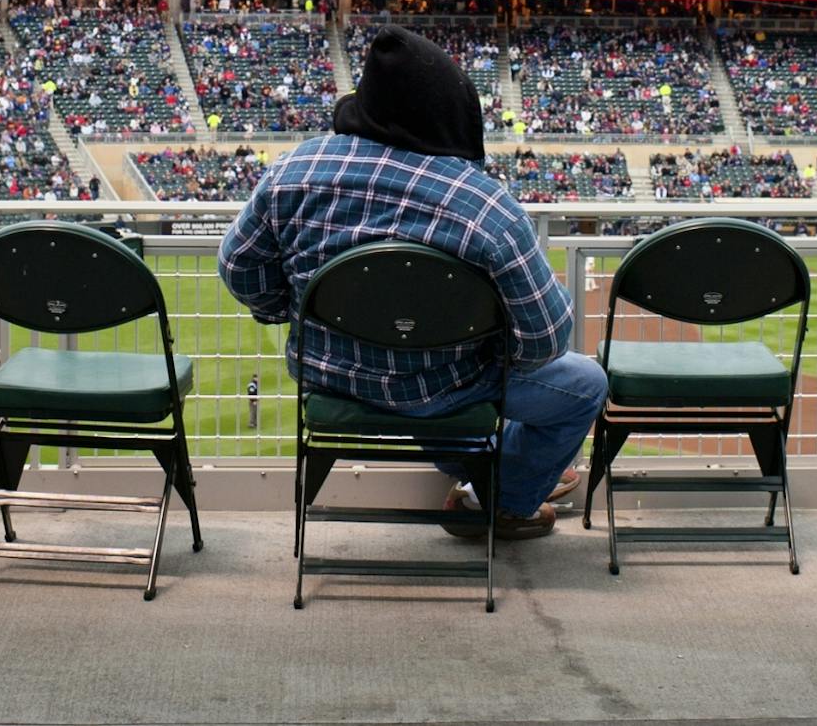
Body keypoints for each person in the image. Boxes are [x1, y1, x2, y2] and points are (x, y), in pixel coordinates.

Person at [218, 26, 605, 540]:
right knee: (586, 385)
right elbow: (546, 337)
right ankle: (506, 500)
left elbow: (238, 268)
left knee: (438, 376)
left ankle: (486, 474)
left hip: (329, 375)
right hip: (443, 383)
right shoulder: (485, 206)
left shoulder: (293, 170)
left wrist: (287, 310)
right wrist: (484, 355)